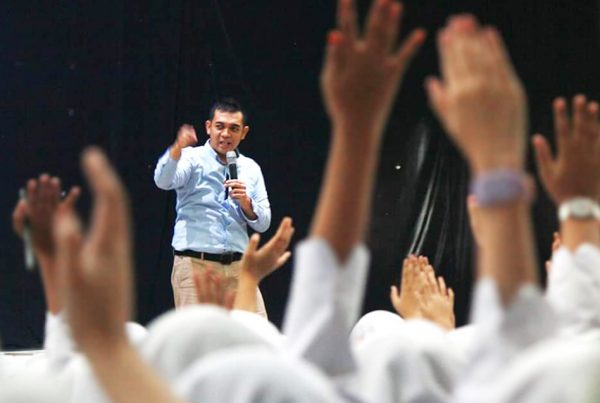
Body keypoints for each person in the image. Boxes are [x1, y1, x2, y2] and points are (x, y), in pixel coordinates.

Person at [154, 98, 271, 316]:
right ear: (208, 127)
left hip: (239, 268)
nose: (226, 134)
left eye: (233, 128)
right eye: (220, 126)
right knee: (198, 335)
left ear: (244, 133)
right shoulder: (190, 158)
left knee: (256, 331)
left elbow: (264, 223)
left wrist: (246, 203)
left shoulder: (250, 168)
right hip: (196, 265)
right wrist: (177, 148)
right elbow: (163, 181)